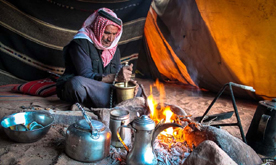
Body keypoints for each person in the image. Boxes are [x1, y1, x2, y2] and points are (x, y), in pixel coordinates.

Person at [56, 8, 141, 108]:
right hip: (87, 86)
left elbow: (117, 71)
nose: (111, 39)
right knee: (77, 84)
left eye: (114, 34)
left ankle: (106, 102)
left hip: (103, 88)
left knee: (138, 89)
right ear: (98, 28)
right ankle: (113, 103)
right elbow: (86, 75)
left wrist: (127, 81)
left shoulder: (113, 48)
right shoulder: (81, 43)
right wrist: (115, 78)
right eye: (107, 33)